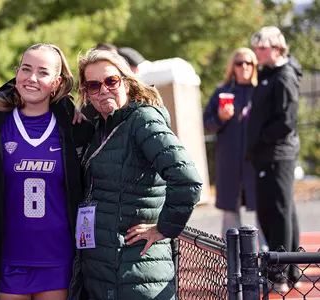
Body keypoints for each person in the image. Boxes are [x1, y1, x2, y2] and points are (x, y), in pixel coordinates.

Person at [70, 49, 202, 300]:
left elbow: (187, 179)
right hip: (106, 269)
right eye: (94, 85)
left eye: (111, 81)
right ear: (86, 92)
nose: (104, 90)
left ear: (127, 82)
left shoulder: (143, 120)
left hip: (137, 269)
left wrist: (163, 228)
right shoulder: (100, 126)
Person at [0, 43, 93, 300]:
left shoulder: (73, 128)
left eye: (43, 72)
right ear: (16, 73)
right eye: (26, 69)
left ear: (57, 82)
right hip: (7, 258)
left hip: (57, 258)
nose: (32, 78)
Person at [247, 26, 302, 292]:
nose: (257, 52)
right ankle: (287, 271)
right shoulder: (269, 75)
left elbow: (286, 122)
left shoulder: (284, 76)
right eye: (255, 47)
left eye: (262, 47)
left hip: (277, 154)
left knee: (277, 213)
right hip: (268, 154)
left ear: (277, 48)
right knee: (279, 210)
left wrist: (260, 139)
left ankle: (280, 274)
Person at [203, 48, 268, 250]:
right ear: (233, 67)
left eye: (249, 63)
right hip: (230, 163)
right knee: (230, 214)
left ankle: (268, 261)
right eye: (240, 63)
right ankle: (234, 262)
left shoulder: (262, 90)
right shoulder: (223, 92)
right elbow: (206, 123)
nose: (245, 67)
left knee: (263, 211)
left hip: (256, 163)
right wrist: (220, 118)